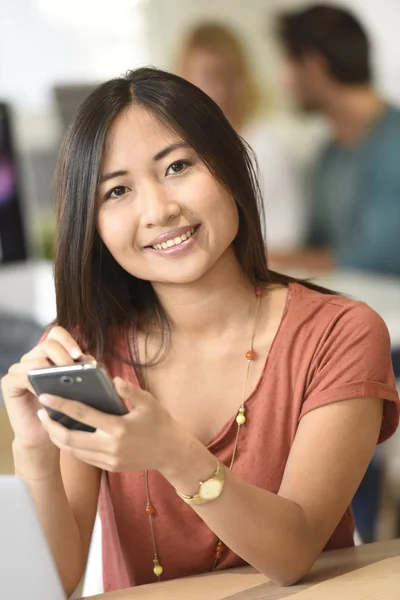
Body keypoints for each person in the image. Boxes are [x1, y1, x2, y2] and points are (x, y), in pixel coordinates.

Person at [1, 68, 399, 596]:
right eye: (117, 190)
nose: (160, 210)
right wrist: (34, 451)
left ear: (229, 166)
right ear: (90, 222)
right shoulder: (88, 345)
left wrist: (172, 453)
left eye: (178, 166)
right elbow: (61, 578)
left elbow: (294, 552)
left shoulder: (340, 334)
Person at [273, 4, 400, 276]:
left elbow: (380, 259)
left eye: (288, 64)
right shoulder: (328, 154)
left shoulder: (394, 143)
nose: (284, 82)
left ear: (314, 66)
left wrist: (269, 258)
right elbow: (314, 244)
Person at [178, 22, 306, 252]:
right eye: (208, 77)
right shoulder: (176, 148)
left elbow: (285, 236)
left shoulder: (267, 145)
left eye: (228, 76)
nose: (220, 90)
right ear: (183, 80)